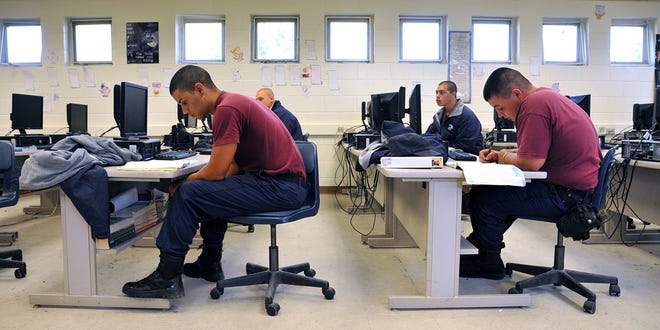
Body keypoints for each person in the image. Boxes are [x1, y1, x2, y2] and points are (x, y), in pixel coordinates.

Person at [122, 65, 308, 299]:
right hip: (283, 183)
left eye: (184, 102)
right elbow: (232, 167)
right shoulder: (232, 103)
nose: (185, 110)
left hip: (281, 186)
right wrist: (201, 179)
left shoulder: (226, 109)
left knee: (189, 193)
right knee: (208, 191)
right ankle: (210, 263)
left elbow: (218, 171)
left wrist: (187, 181)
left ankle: (167, 277)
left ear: (199, 89)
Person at [460, 67, 601, 280]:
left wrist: (500, 157)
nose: (500, 115)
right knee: (501, 193)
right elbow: (537, 152)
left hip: (568, 196)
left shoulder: (533, 105)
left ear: (516, 94)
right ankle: (482, 247)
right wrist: (504, 154)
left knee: (484, 197)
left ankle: (488, 263)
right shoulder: (545, 98)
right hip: (574, 190)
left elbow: (531, 163)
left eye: (500, 107)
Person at [424, 81, 484, 155]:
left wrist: (439, 145)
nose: (437, 96)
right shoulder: (439, 116)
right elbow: (428, 136)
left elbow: (466, 147)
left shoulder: (466, 116)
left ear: (453, 94)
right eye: (437, 92)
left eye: (442, 92)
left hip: (467, 160)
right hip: (447, 155)